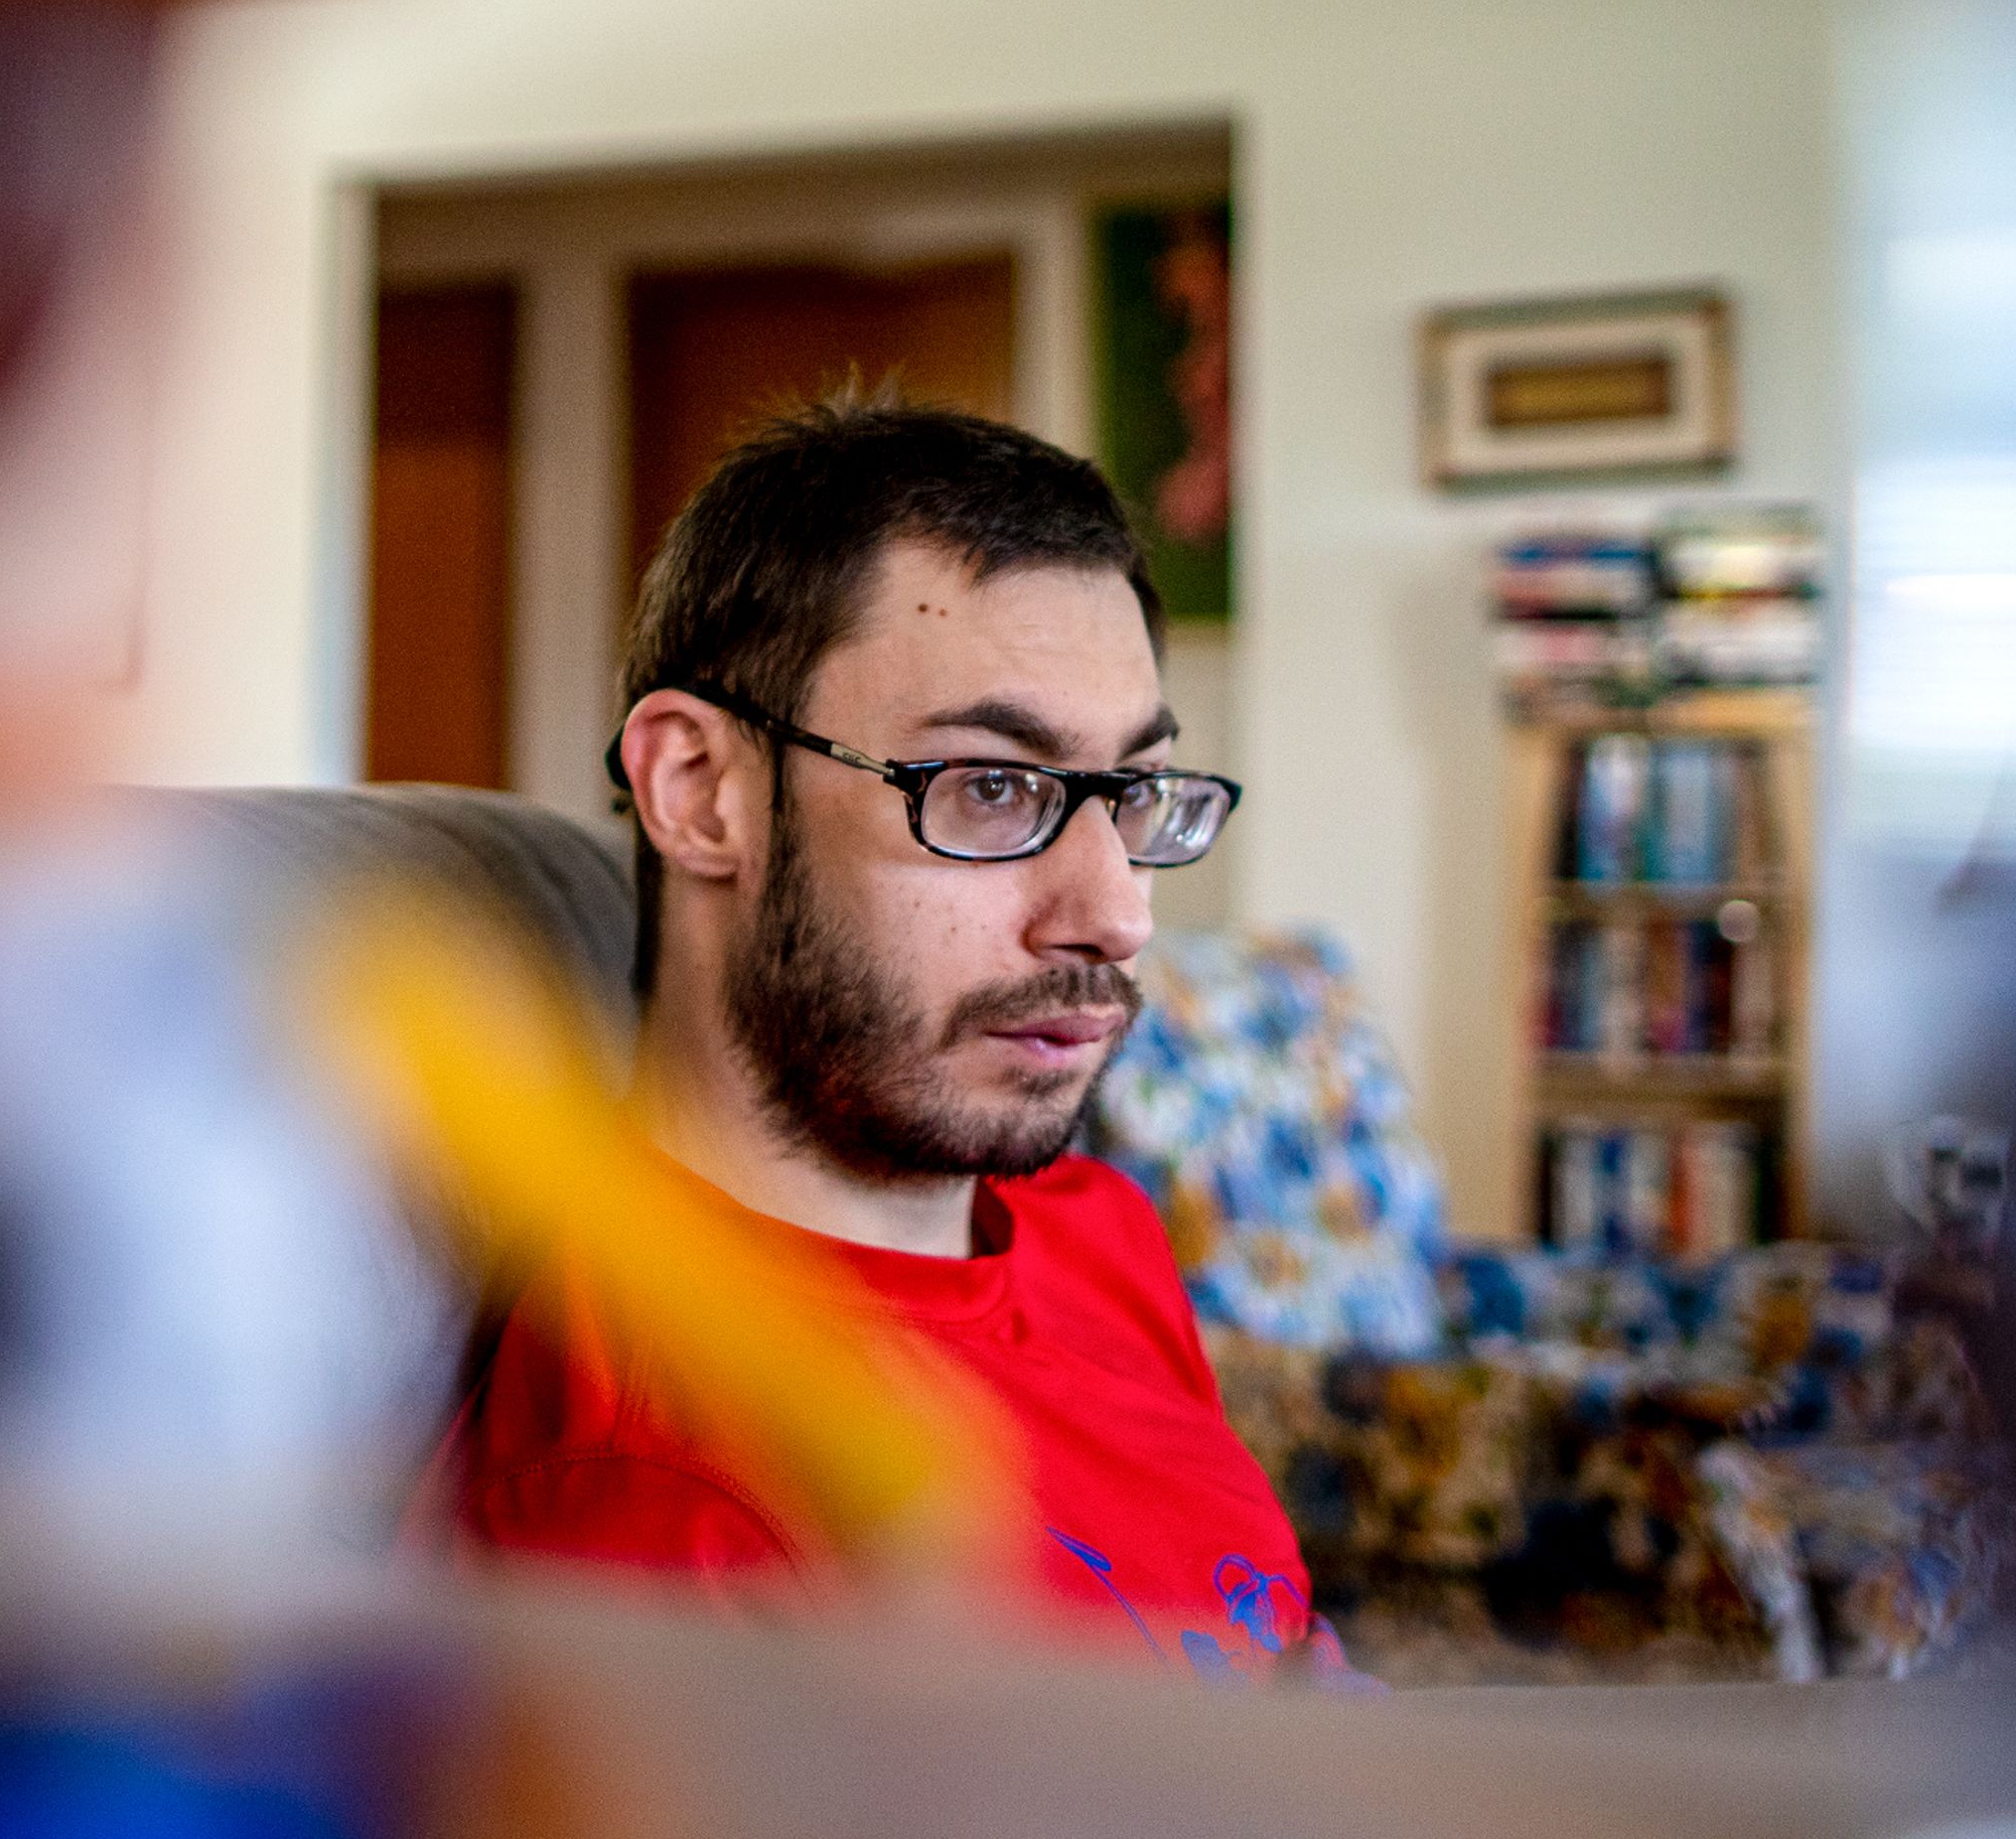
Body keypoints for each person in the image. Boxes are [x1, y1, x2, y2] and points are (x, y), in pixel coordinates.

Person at [439, 399, 1344, 1680]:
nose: (1120, 915)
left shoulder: (1094, 1226)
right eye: (991, 786)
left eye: (1130, 795)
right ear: (700, 793)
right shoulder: (680, 1511)